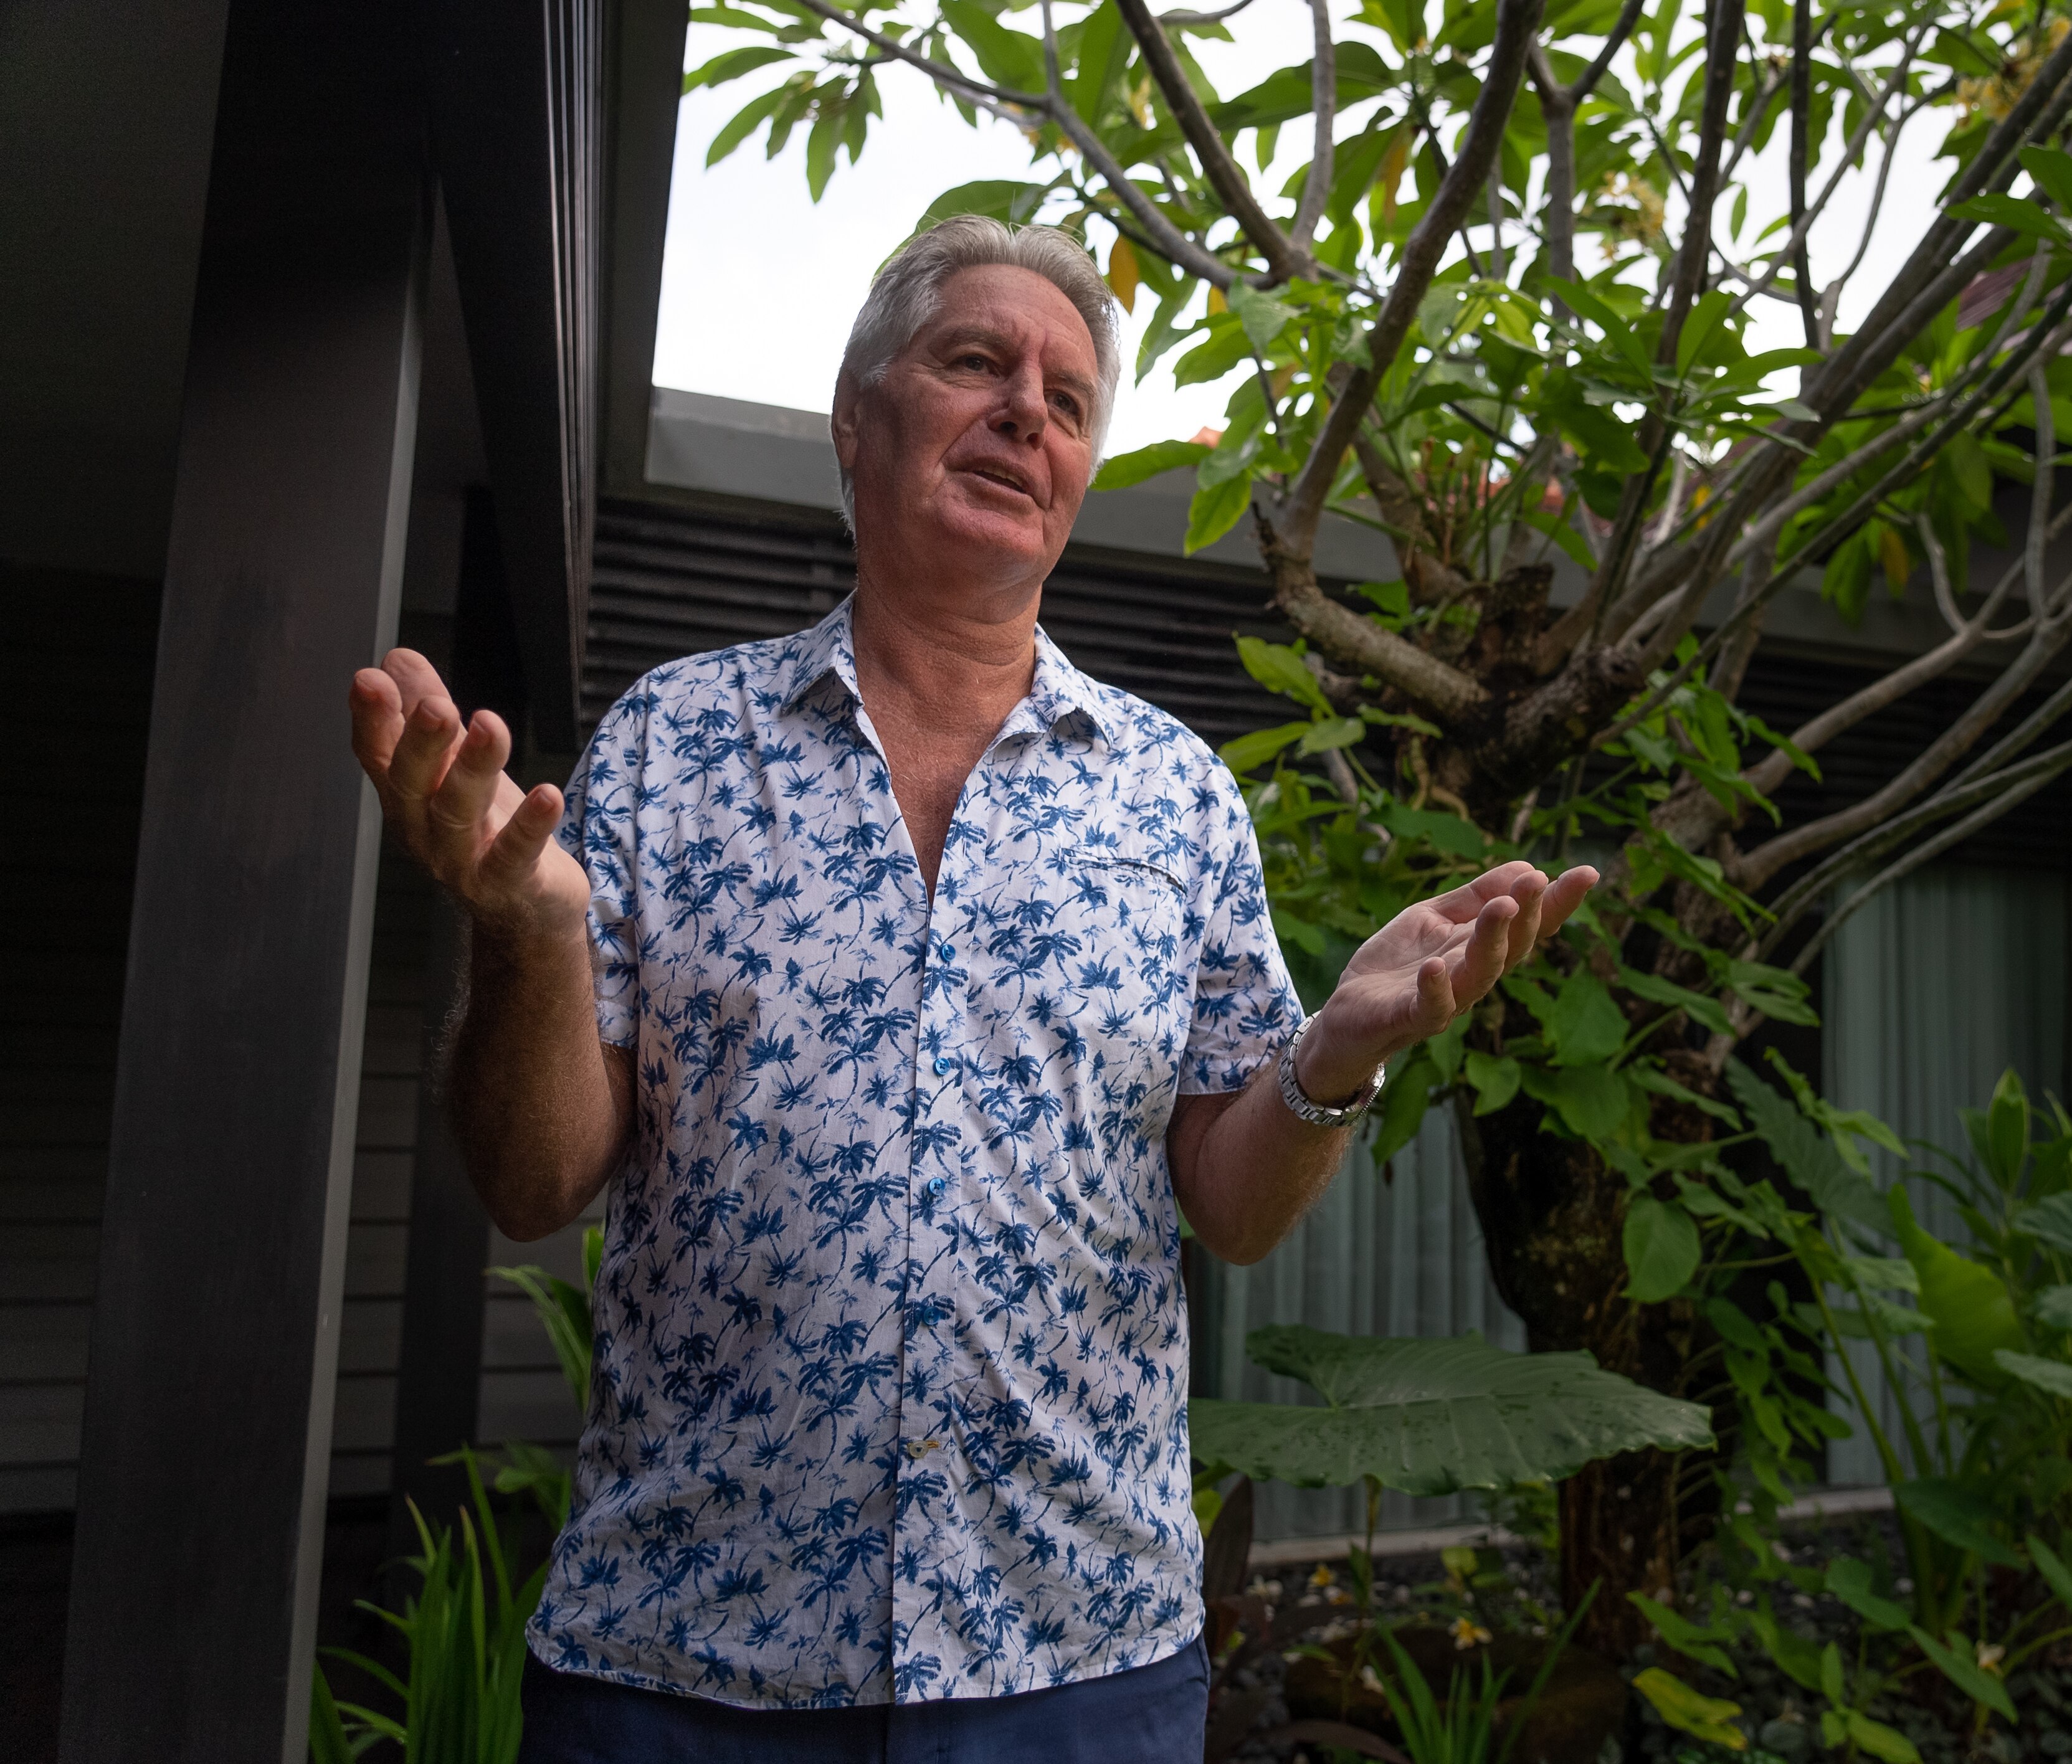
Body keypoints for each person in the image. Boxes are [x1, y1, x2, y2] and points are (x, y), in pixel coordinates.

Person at [346, 216, 1595, 1760]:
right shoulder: (675, 748)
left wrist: (1332, 1056)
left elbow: (1235, 1204)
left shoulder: (1174, 798)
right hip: (687, 1660)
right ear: (855, 425)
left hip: (1074, 1660)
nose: (1028, 411)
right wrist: (523, 931)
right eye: (974, 363)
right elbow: (534, 1179)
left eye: (1068, 401)